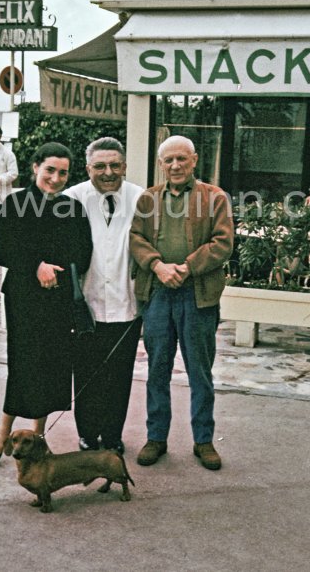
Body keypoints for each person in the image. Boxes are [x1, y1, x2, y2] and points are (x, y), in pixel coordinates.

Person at [0, 142, 92, 467]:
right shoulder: (15, 203)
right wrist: (35, 264)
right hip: (23, 299)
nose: (56, 178)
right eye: (50, 170)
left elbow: (83, 254)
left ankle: (38, 435)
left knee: (50, 366)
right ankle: (3, 430)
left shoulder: (72, 209)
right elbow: (1, 250)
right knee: (24, 364)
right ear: (35, 168)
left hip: (57, 301)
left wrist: (57, 266)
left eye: (63, 173)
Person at [129, 135, 234, 470]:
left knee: (199, 371)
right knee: (157, 369)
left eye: (181, 159)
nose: (175, 166)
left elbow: (223, 242)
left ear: (194, 160)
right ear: (161, 164)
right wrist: (157, 266)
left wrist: (188, 267)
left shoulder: (214, 197)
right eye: (168, 160)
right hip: (158, 293)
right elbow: (135, 237)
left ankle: (203, 441)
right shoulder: (148, 199)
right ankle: (156, 437)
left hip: (197, 295)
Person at [63, 137, 144, 454]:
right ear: (88, 168)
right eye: (100, 166)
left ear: (124, 166)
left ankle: (112, 435)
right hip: (86, 306)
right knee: (85, 373)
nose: (108, 172)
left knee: (119, 376)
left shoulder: (141, 199)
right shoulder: (71, 199)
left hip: (127, 304)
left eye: (115, 165)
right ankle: (87, 433)